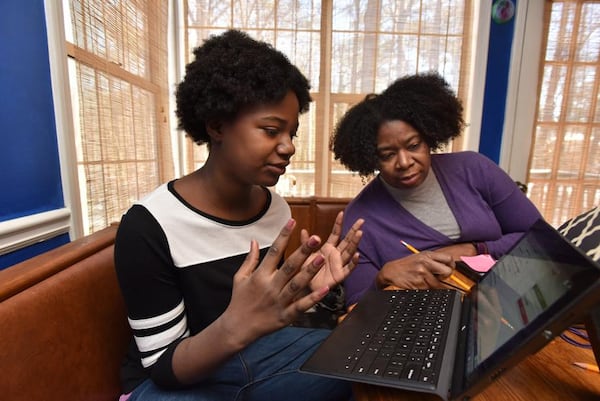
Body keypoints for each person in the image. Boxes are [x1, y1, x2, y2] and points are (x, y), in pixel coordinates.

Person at [114, 29, 364, 401]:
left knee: (364, 363)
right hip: (167, 384)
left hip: (248, 360)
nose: (288, 147)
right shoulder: (149, 225)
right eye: (270, 130)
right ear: (216, 125)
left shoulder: (275, 207)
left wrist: (317, 292)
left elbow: (272, 326)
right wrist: (235, 327)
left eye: (292, 133)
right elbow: (164, 368)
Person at [330, 72, 542, 307]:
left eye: (413, 145)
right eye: (388, 155)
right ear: (370, 158)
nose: (404, 162)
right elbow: (356, 308)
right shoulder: (360, 219)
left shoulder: (474, 168)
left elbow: (539, 237)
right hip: (426, 321)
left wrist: (475, 249)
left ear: (429, 137)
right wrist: (381, 279)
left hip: (515, 302)